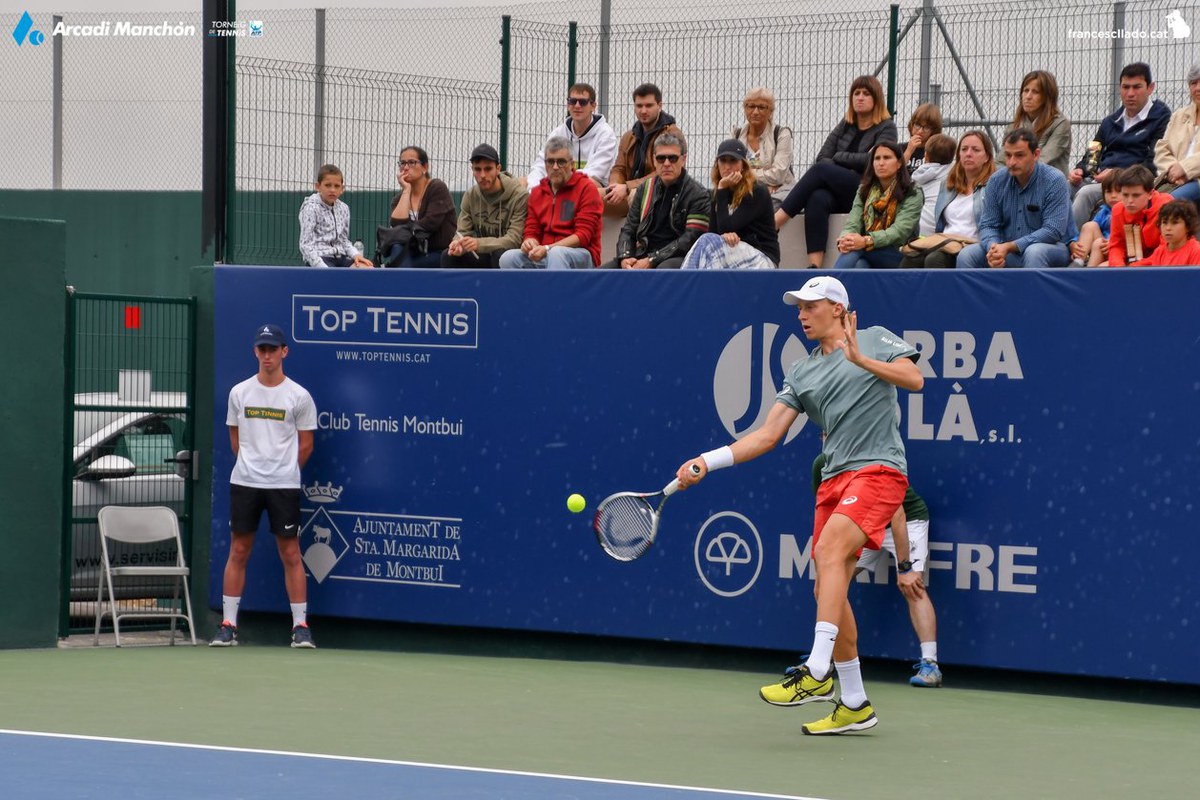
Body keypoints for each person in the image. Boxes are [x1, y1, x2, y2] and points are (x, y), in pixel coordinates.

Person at [675, 275, 924, 735]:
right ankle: (854, 704)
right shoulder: (801, 371)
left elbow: (915, 379)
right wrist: (708, 461)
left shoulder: (873, 338)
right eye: (799, 309)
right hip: (833, 479)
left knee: (828, 552)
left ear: (837, 308)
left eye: (810, 307)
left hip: (879, 469)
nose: (802, 315)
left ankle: (816, 669)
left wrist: (861, 359)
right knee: (826, 588)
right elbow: (768, 435)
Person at [212, 324, 318, 649]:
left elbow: (306, 445)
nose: (267, 355)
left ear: (284, 352)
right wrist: (254, 467)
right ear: (255, 351)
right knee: (238, 550)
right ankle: (228, 625)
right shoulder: (239, 393)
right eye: (263, 349)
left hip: (283, 486)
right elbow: (236, 441)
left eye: (273, 349)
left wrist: (283, 471)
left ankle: (300, 627)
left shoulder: (299, 396)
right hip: (245, 483)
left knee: (291, 553)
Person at [812, 453, 941, 688]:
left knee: (912, 587)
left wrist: (905, 568)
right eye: (823, 435)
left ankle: (930, 664)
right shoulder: (821, 464)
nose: (826, 438)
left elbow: (898, 516)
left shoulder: (870, 460)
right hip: (865, 522)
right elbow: (826, 514)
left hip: (906, 521)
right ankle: (822, 659)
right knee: (829, 586)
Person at [775, 76, 898, 269]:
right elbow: (822, 156)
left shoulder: (887, 127)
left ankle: (775, 222)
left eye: (866, 94)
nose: (860, 98)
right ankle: (814, 266)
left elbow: (872, 161)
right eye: (856, 93)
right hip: (841, 190)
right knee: (817, 197)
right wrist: (847, 164)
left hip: (867, 190)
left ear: (876, 98)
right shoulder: (846, 124)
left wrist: (838, 158)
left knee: (821, 170)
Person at [1069, 63, 1171, 229]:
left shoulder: (1161, 118)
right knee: (1064, 186)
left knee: (1085, 194)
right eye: (1125, 87)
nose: (1130, 93)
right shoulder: (1110, 121)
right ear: (1119, 88)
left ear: (1150, 88)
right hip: (1099, 179)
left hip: (1129, 185)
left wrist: (1117, 174)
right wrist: (1080, 170)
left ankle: (1071, 242)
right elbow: (1093, 152)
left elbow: (1154, 162)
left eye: (1137, 87)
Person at [956, 128, 1076, 269]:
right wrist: (993, 248)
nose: (1012, 162)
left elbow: (1053, 230)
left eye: (1019, 155)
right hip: (1007, 249)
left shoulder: (1054, 180)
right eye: (1008, 155)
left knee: (1034, 252)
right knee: (967, 255)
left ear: (1036, 154)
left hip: (1050, 249)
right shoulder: (996, 180)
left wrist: (1011, 246)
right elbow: (988, 225)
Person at [604, 132, 709, 270]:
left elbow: (690, 240)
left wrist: (652, 259)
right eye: (661, 158)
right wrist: (625, 257)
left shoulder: (698, 194)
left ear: (683, 160)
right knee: (599, 275)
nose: (666, 163)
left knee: (662, 271)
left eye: (672, 158)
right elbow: (629, 230)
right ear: (654, 160)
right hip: (644, 254)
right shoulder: (644, 189)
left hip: (678, 258)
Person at [498, 136, 603, 269]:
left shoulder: (587, 189)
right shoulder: (537, 192)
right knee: (508, 258)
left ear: (572, 164)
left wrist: (548, 248)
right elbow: (532, 230)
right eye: (550, 162)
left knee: (557, 254)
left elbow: (583, 236)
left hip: (581, 255)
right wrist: (530, 242)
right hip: (546, 253)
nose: (555, 167)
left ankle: (554, 283)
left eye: (561, 162)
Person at [900, 130, 997, 269]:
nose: (968, 154)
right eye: (964, 149)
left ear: (987, 156)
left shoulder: (993, 186)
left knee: (935, 259)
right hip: (945, 242)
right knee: (911, 258)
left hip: (973, 245)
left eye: (975, 150)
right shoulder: (948, 185)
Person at [681, 139, 779, 270]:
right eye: (723, 161)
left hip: (763, 258)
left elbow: (726, 229)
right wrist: (721, 192)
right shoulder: (718, 193)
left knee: (707, 242)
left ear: (743, 165)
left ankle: (688, 281)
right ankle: (689, 280)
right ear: (717, 164)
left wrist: (722, 190)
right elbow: (714, 232)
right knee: (706, 240)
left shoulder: (756, 192)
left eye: (733, 161)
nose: (727, 166)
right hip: (732, 255)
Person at [832, 142, 923, 270]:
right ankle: (834, 281)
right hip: (868, 251)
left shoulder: (912, 192)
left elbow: (899, 231)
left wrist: (866, 241)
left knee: (857, 249)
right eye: (877, 158)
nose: (881, 163)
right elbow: (853, 222)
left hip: (900, 254)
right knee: (860, 265)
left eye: (887, 158)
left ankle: (829, 281)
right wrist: (845, 238)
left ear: (899, 163)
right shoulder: (864, 190)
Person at [443, 144, 527, 269]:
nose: (482, 175)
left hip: (510, 255)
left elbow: (514, 240)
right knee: (449, 256)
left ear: (498, 169)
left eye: (488, 169)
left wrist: (478, 244)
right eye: (477, 169)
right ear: (472, 170)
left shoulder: (519, 195)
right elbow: (462, 232)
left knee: (500, 255)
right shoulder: (470, 195)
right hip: (483, 253)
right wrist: (457, 243)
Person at [523, 82, 618, 192]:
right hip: (560, 183)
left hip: (593, 189)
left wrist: (560, 181)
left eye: (582, 102)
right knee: (524, 182)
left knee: (589, 182)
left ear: (593, 106)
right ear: (568, 105)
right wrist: (533, 191)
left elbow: (596, 172)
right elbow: (540, 165)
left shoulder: (605, 134)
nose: (577, 106)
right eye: (572, 101)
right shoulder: (559, 133)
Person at [605, 83, 682, 216]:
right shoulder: (629, 136)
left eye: (649, 105)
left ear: (660, 105)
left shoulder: (672, 134)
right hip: (627, 191)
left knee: (635, 196)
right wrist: (615, 186)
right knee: (590, 196)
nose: (643, 111)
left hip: (660, 193)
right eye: (639, 106)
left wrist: (628, 187)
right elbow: (619, 168)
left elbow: (664, 172)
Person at [384, 146, 457, 268]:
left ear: (425, 167)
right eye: (402, 163)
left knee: (400, 263)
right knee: (397, 247)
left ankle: (399, 277)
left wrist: (406, 231)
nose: (405, 167)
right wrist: (406, 190)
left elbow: (430, 223)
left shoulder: (437, 188)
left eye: (412, 162)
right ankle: (400, 277)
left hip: (439, 253)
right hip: (413, 252)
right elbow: (396, 225)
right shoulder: (399, 199)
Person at [298, 164, 374, 269]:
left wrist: (356, 255)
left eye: (337, 186)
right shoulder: (310, 208)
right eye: (328, 185)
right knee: (333, 277)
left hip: (341, 258)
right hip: (320, 258)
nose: (332, 190)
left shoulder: (344, 208)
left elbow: (344, 241)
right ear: (318, 186)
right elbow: (305, 245)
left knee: (368, 269)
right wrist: (322, 267)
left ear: (342, 189)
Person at [731, 87, 796, 206]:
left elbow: (778, 175)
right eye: (751, 106)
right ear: (745, 109)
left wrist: (745, 174)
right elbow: (731, 172)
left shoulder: (781, 134)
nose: (755, 112)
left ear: (771, 111)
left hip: (779, 193)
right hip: (745, 192)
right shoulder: (736, 135)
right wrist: (765, 184)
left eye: (761, 107)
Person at [1006, 70, 1071, 177]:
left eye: (1035, 92)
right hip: (1017, 180)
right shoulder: (1014, 125)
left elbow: (1042, 160)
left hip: (1049, 182)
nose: (1028, 96)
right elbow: (1001, 160)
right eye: (1026, 90)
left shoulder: (1060, 124)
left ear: (1047, 97)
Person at [1153, 64, 1200, 205]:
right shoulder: (1179, 115)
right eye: (1194, 83)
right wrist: (1173, 169)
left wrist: (1184, 168)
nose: (1198, 88)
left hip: (1196, 181)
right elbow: (1162, 148)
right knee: (1138, 202)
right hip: (1173, 179)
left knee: (1165, 204)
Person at [1106, 164, 1169, 266]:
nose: (1129, 201)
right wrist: (1119, 269)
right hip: (1133, 264)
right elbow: (1116, 246)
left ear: (1150, 194)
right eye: (1125, 195)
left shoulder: (1166, 206)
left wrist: (1135, 268)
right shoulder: (1118, 210)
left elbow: (1167, 249)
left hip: (1164, 264)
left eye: (1136, 195)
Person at [1068, 171, 1120, 267]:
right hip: (1103, 249)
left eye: (1118, 191)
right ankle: (1078, 261)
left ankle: (1089, 272)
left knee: (1099, 245)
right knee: (1090, 226)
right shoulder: (1104, 212)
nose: (1113, 196)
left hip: (1120, 252)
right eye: (1109, 191)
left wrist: (1115, 244)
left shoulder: (1130, 212)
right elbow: (1088, 232)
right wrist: (1073, 243)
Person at [911, 133, 956, 236]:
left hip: (917, 233)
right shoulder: (955, 175)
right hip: (940, 234)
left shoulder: (916, 177)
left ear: (926, 155)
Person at [1131, 199, 1200, 266]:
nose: (1168, 228)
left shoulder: (1196, 250)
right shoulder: (1159, 251)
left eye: (1175, 223)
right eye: (1164, 222)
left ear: (1188, 226)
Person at [898, 103, 942, 173]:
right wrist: (908, 151)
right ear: (912, 124)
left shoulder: (936, 152)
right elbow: (894, 173)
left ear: (934, 130)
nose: (920, 131)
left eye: (926, 127)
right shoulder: (900, 149)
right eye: (917, 125)